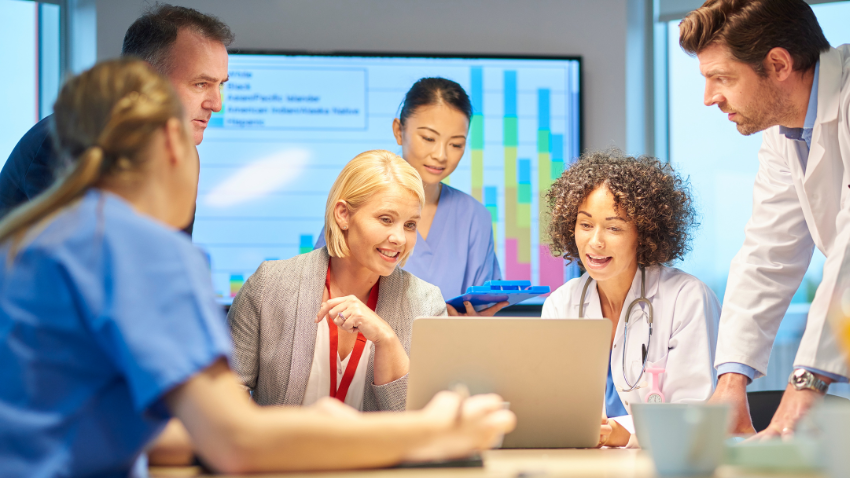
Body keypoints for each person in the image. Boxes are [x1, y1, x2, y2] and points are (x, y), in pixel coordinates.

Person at [0, 59, 515, 477]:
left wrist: (309, 430)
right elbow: (236, 442)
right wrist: (435, 433)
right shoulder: (145, 253)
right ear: (174, 150)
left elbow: (131, 430)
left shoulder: (28, 246)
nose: (399, 239)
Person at [679, 0, 850, 438]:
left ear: (778, 64)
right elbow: (766, 255)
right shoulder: (786, 134)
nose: (709, 98)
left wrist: (807, 380)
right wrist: (731, 380)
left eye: (723, 78)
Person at [229, 150, 447, 411]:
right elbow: (224, 400)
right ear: (343, 214)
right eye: (386, 219)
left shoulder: (427, 304)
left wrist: (387, 340)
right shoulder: (269, 285)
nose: (399, 238)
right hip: (284, 453)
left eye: (410, 225)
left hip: (376, 454)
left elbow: (427, 425)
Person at [0, 4, 231, 235]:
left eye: (220, 85)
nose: (216, 104)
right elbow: (87, 264)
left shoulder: (179, 153)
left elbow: (168, 260)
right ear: (145, 78)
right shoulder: (68, 142)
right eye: (201, 84)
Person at [541, 150, 720, 447]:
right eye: (585, 225)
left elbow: (695, 412)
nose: (595, 241)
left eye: (614, 228)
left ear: (645, 233)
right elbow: (551, 406)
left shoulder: (686, 299)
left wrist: (626, 436)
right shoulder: (561, 304)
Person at [316, 78, 505, 316]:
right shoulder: (358, 202)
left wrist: (469, 325)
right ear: (399, 130)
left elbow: (479, 309)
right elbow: (320, 295)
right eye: (428, 138)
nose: (440, 155)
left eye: (456, 144)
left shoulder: (474, 217)